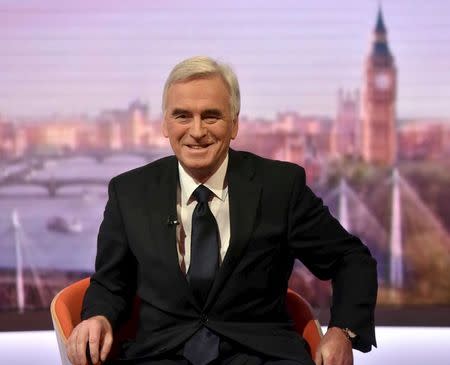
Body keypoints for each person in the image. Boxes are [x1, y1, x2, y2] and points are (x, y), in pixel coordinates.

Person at [66, 56, 377, 365]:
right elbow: (111, 283)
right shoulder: (129, 192)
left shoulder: (280, 187)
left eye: (211, 116)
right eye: (182, 116)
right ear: (164, 124)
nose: (197, 131)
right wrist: (99, 317)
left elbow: (350, 259)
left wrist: (342, 331)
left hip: (260, 356)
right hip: (161, 355)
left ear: (234, 124)